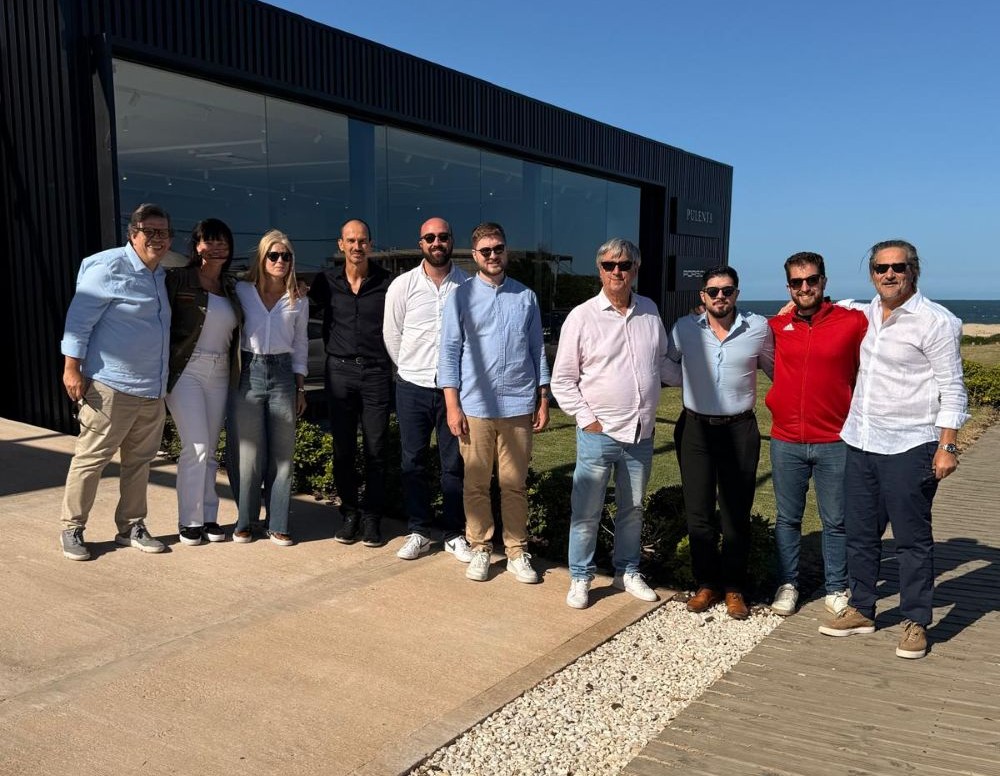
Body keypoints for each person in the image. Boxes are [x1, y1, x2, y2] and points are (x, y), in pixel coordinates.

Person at [819, 239, 968, 659]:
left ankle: (916, 621)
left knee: (911, 540)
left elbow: (953, 388)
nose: (889, 274)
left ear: (913, 271)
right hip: (862, 440)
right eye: (881, 268)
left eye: (898, 267)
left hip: (911, 444)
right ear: (871, 274)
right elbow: (834, 306)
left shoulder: (936, 321)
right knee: (861, 535)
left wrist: (948, 445)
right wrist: (795, 308)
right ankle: (862, 610)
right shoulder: (866, 312)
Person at [551, 239, 670, 609]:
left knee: (632, 510)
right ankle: (581, 576)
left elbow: (661, 363)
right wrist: (588, 421)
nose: (617, 271)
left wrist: (704, 371)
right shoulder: (582, 317)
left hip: (640, 434)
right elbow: (562, 380)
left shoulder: (649, 310)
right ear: (599, 269)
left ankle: (627, 571)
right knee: (587, 512)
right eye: (609, 265)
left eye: (624, 264)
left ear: (636, 268)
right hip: (598, 435)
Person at [438, 222, 550, 584]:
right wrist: (452, 406)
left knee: (514, 484)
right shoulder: (460, 297)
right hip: (475, 407)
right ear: (475, 255)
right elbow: (448, 352)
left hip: (518, 405)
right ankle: (481, 548)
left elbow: (537, 350)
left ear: (506, 251)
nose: (492, 255)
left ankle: (517, 552)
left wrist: (543, 398)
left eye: (498, 248)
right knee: (475, 484)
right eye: (485, 250)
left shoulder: (526, 296)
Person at [59, 203, 173, 560]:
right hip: (111, 386)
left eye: (163, 232)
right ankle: (72, 527)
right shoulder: (109, 267)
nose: (157, 238)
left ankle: (131, 526)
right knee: (91, 459)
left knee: (139, 462)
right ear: (133, 233)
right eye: (150, 231)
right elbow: (78, 322)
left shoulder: (160, 274)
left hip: (151, 388)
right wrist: (71, 368)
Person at [663, 266, 774, 619]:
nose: (720, 296)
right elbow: (666, 363)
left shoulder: (758, 328)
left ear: (737, 293)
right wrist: (689, 380)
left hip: (740, 430)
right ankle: (706, 584)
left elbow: (776, 368)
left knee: (735, 514)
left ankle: (734, 588)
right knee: (698, 513)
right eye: (713, 291)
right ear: (703, 296)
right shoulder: (684, 328)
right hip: (695, 429)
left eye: (727, 290)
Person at [766, 253, 868, 616]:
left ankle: (836, 586)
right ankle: (788, 584)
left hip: (835, 441)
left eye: (811, 280)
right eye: (797, 282)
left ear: (823, 282)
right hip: (785, 440)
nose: (805, 287)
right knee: (787, 519)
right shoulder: (776, 325)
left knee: (836, 521)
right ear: (789, 287)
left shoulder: (853, 322)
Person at [384, 217, 473, 563]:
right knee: (413, 462)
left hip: (454, 392)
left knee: (454, 464)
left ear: (451, 241)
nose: (437, 242)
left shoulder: (468, 285)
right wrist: (410, 368)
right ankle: (419, 531)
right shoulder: (402, 286)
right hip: (412, 387)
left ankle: (453, 533)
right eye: (430, 237)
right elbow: (392, 335)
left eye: (443, 237)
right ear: (421, 243)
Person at [308, 219, 393, 547]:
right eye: (351, 241)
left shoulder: (386, 282)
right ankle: (349, 512)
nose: (357, 246)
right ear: (341, 245)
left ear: (370, 244)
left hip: (375, 372)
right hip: (339, 372)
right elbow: (297, 311)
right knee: (343, 449)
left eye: (363, 240)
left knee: (376, 448)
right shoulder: (325, 282)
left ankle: (372, 517)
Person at [164, 219, 243, 546]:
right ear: (197, 246)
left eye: (223, 241)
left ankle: (209, 517)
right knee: (195, 446)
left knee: (210, 449)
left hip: (221, 371)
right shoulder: (177, 279)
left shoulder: (232, 285)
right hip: (187, 369)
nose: (217, 247)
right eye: (210, 241)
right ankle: (189, 520)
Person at [229, 230, 308, 546]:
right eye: (273, 255)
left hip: (284, 375)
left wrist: (300, 387)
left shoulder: (298, 299)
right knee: (248, 454)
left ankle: (277, 523)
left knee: (282, 454)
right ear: (261, 259)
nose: (280, 261)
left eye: (286, 256)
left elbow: (300, 343)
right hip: (249, 371)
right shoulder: (242, 291)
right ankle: (245, 520)